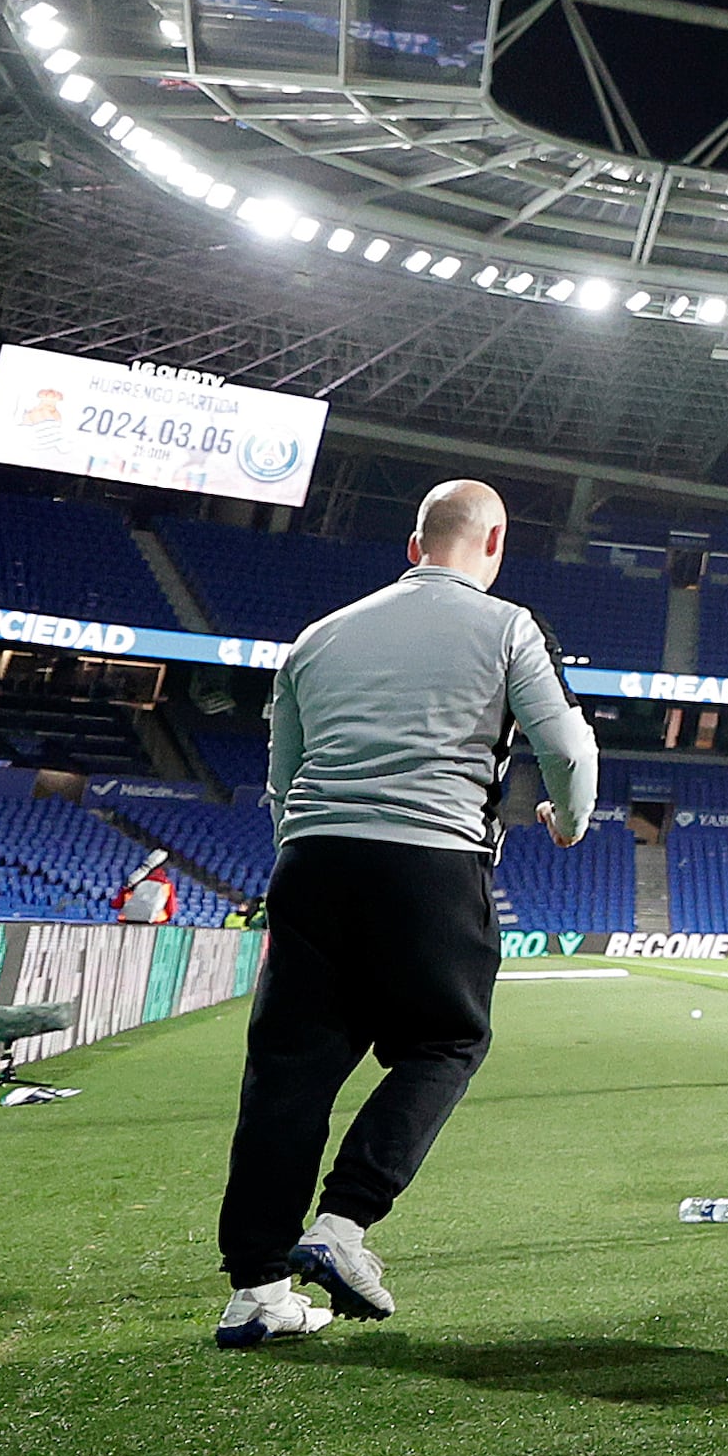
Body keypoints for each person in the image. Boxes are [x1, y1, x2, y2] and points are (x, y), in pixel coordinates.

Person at [211, 479, 598, 1349]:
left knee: (288, 1073)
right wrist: (568, 820)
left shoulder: (320, 634)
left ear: (415, 541)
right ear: (493, 542)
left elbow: (284, 775)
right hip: (431, 860)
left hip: (313, 860)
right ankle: (343, 1224)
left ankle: (257, 1290)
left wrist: (302, 852)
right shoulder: (508, 626)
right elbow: (567, 745)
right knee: (446, 1041)